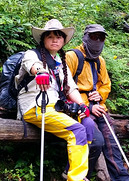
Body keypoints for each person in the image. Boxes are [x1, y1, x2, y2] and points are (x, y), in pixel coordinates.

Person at [16, 19, 90, 181]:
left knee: (88, 127)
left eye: (58, 36)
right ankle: (76, 178)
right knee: (77, 131)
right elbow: (33, 65)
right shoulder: (32, 54)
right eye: (50, 36)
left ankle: (73, 171)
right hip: (35, 107)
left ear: (63, 41)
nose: (55, 40)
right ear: (43, 40)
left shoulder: (60, 63)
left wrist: (82, 105)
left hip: (55, 109)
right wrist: (40, 72)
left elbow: (71, 88)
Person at [66, 24, 129, 181]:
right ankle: (80, 175)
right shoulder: (72, 57)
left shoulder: (100, 61)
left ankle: (122, 177)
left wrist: (99, 96)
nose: (97, 41)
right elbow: (65, 86)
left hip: (99, 106)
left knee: (112, 142)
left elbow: (106, 84)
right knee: (95, 141)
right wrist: (89, 105)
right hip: (79, 108)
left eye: (101, 38)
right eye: (94, 37)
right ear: (86, 37)